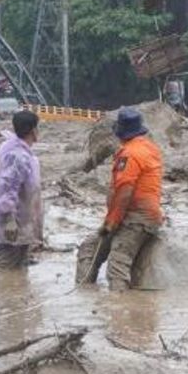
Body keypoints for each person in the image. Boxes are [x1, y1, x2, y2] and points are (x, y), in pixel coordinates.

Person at [74, 108, 164, 291]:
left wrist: (111, 223)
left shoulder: (129, 154)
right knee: (91, 247)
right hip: (137, 217)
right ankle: (85, 293)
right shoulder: (149, 148)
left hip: (134, 220)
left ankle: (120, 310)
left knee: (117, 264)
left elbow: (124, 192)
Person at [0, 110, 43, 270]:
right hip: (13, 227)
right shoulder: (17, 156)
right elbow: (7, 188)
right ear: (33, 131)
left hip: (23, 225)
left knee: (18, 274)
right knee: (5, 270)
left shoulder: (25, 155)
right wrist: (9, 220)